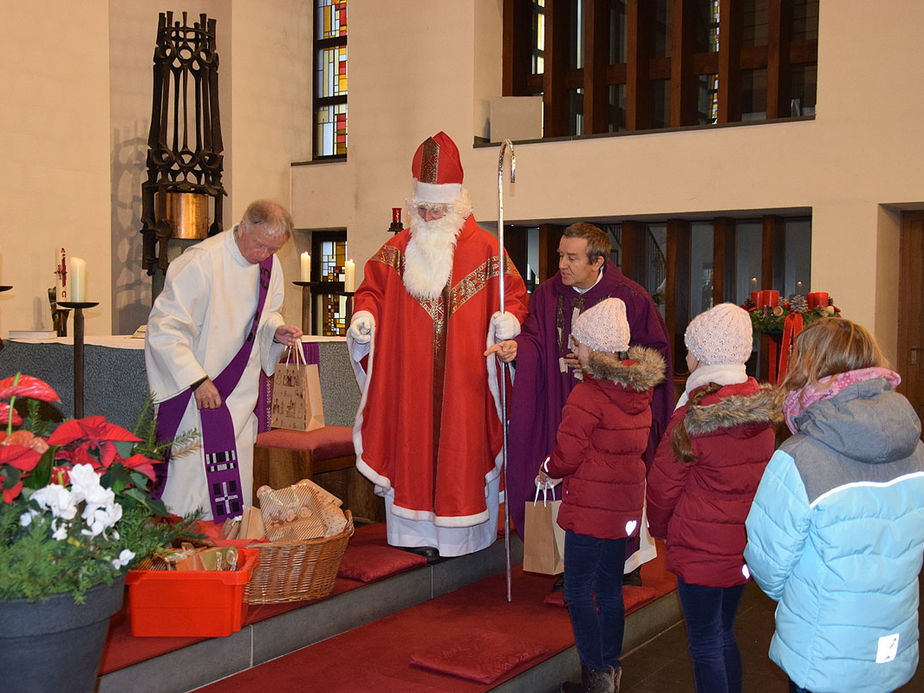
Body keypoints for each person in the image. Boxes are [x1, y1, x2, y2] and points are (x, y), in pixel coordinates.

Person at [347, 131, 529, 560]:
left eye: (437, 208)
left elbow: (515, 297)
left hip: (466, 382)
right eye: (423, 207)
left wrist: (510, 320)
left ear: (457, 204)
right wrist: (364, 318)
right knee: (410, 446)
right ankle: (413, 536)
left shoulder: (487, 251)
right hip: (409, 380)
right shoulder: (397, 250)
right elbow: (370, 290)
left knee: (461, 452)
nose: (428, 214)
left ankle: (462, 539)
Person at [744, 318, 924, 693]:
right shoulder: (916, 447)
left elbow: (767, 563)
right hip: (892, 636)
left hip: (822, 650)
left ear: (808, 368)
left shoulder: (800, 457)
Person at [493, 222, 672, 579]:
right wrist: (519, 350)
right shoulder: (546, 295)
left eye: (571, 257)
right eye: (560, 255)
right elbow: (537, 339)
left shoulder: (630, 297)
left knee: (611, 489)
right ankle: (565, 564)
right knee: (574, 489)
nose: (562, 264)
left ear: (598, 261)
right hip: (561, 408)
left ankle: (624, 563)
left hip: (613, 418)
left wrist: (606, 363)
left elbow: (654, 357)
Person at [646, 303, 779, 693]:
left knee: (704, 643)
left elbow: (662, 486)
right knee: (724, 634)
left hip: (700, 547)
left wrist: (661, 529)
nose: (685, 355)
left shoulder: (693, 416)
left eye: (689, 348)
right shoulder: (761, 413)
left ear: (702, 355)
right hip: (741, 547)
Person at [145, 199, 303, 521]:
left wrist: (275, 330)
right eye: (259, 244)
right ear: (243, 225)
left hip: (238, 400)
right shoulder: (201, 263)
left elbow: (266, 313)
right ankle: (182, 554)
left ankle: (227, 555)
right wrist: (197, 379)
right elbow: (165, 327)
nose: (264, 255)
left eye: (272, 249)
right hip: (195, 397)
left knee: (232, 484)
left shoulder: (269, 266)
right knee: (190, 484)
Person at [537, 298, 665, 693]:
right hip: (624, 505)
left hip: (591, 506)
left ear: (593, 347)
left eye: (578, 345)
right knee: (610, 589)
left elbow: (568, 452)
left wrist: (548, 470)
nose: (575, 352)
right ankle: (611, 667)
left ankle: (596, 675)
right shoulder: (638, 393)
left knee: (577, 590)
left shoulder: (588, 396)